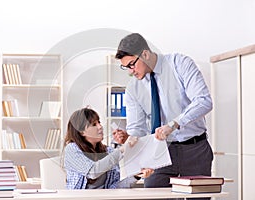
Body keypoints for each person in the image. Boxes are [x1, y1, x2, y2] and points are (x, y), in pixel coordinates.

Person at [113, 33, 213, 194]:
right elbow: (137, 129)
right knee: (153, 195)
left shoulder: (180, 64)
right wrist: (129, 139)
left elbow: (204, 101)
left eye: (132, 65)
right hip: (159, 152)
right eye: (126, 67)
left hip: (194, 149)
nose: (131, 72)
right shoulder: (133, 88)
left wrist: (173, 125)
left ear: (145, 54)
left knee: (198, 198)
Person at [63, 107, 153, 189]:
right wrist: (122, 149)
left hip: (104, 198)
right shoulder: (72, 149)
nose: (100, 127)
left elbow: (114, 187)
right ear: (82, 132)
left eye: (99, 122)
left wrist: (135, 176)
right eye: (94, 124)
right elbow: (92, 172)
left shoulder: (108, 151)